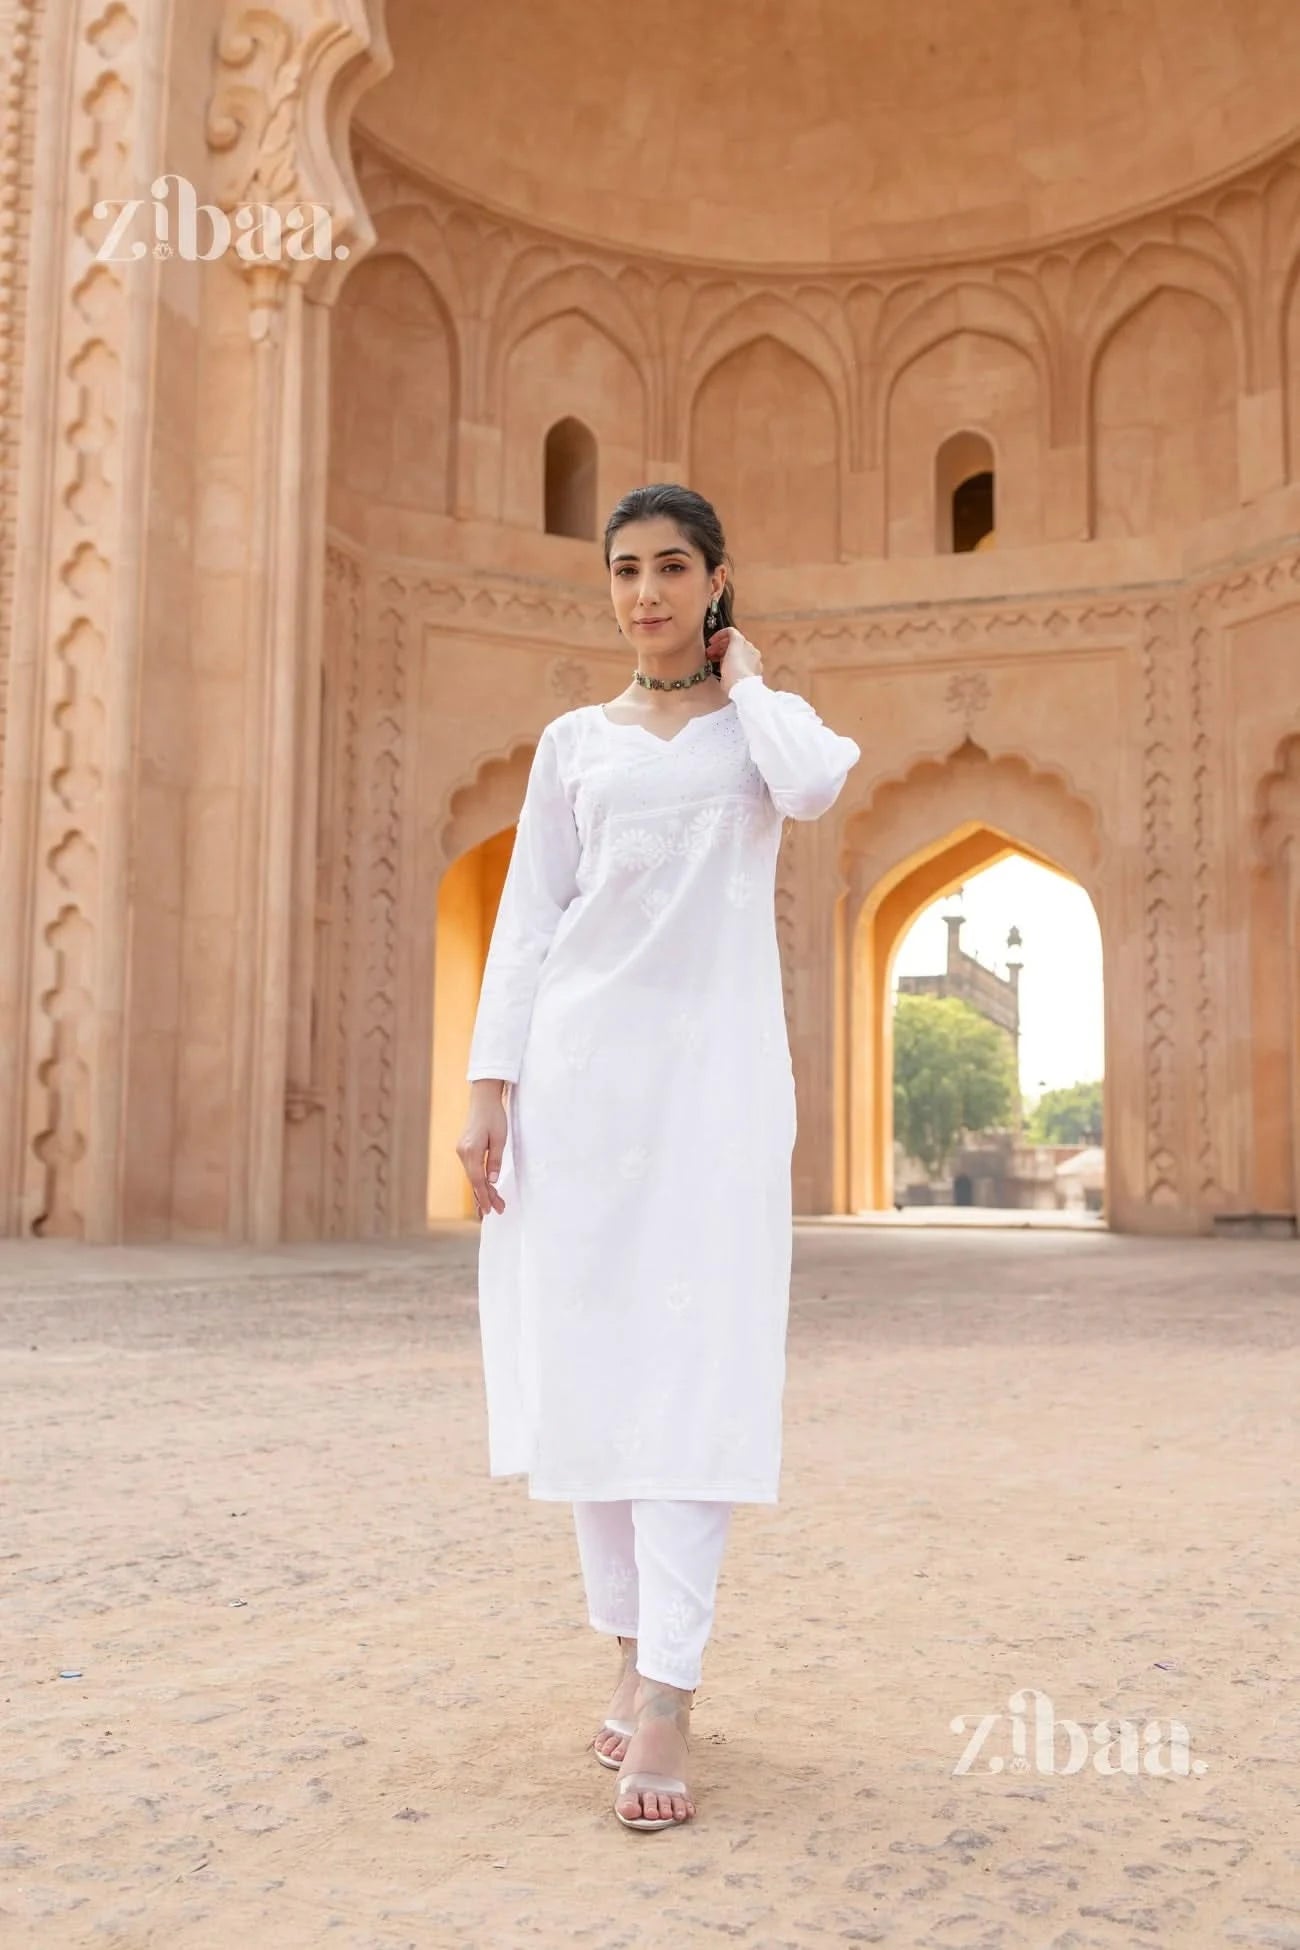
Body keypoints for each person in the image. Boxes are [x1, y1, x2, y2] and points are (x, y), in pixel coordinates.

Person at [457, 482, 861, 1831]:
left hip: (715, 1094)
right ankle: (629, 1653)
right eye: (626, 569)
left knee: (699, 1366)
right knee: (595, 1372)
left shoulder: (757, 735)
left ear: (715, 579)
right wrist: (489, 1084)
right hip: (582, 1088)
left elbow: (815, 778)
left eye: (673, 567)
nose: (645, 591)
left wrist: (746, 675)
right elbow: (528, 921)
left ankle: (675, 1687)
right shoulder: (576, 740)